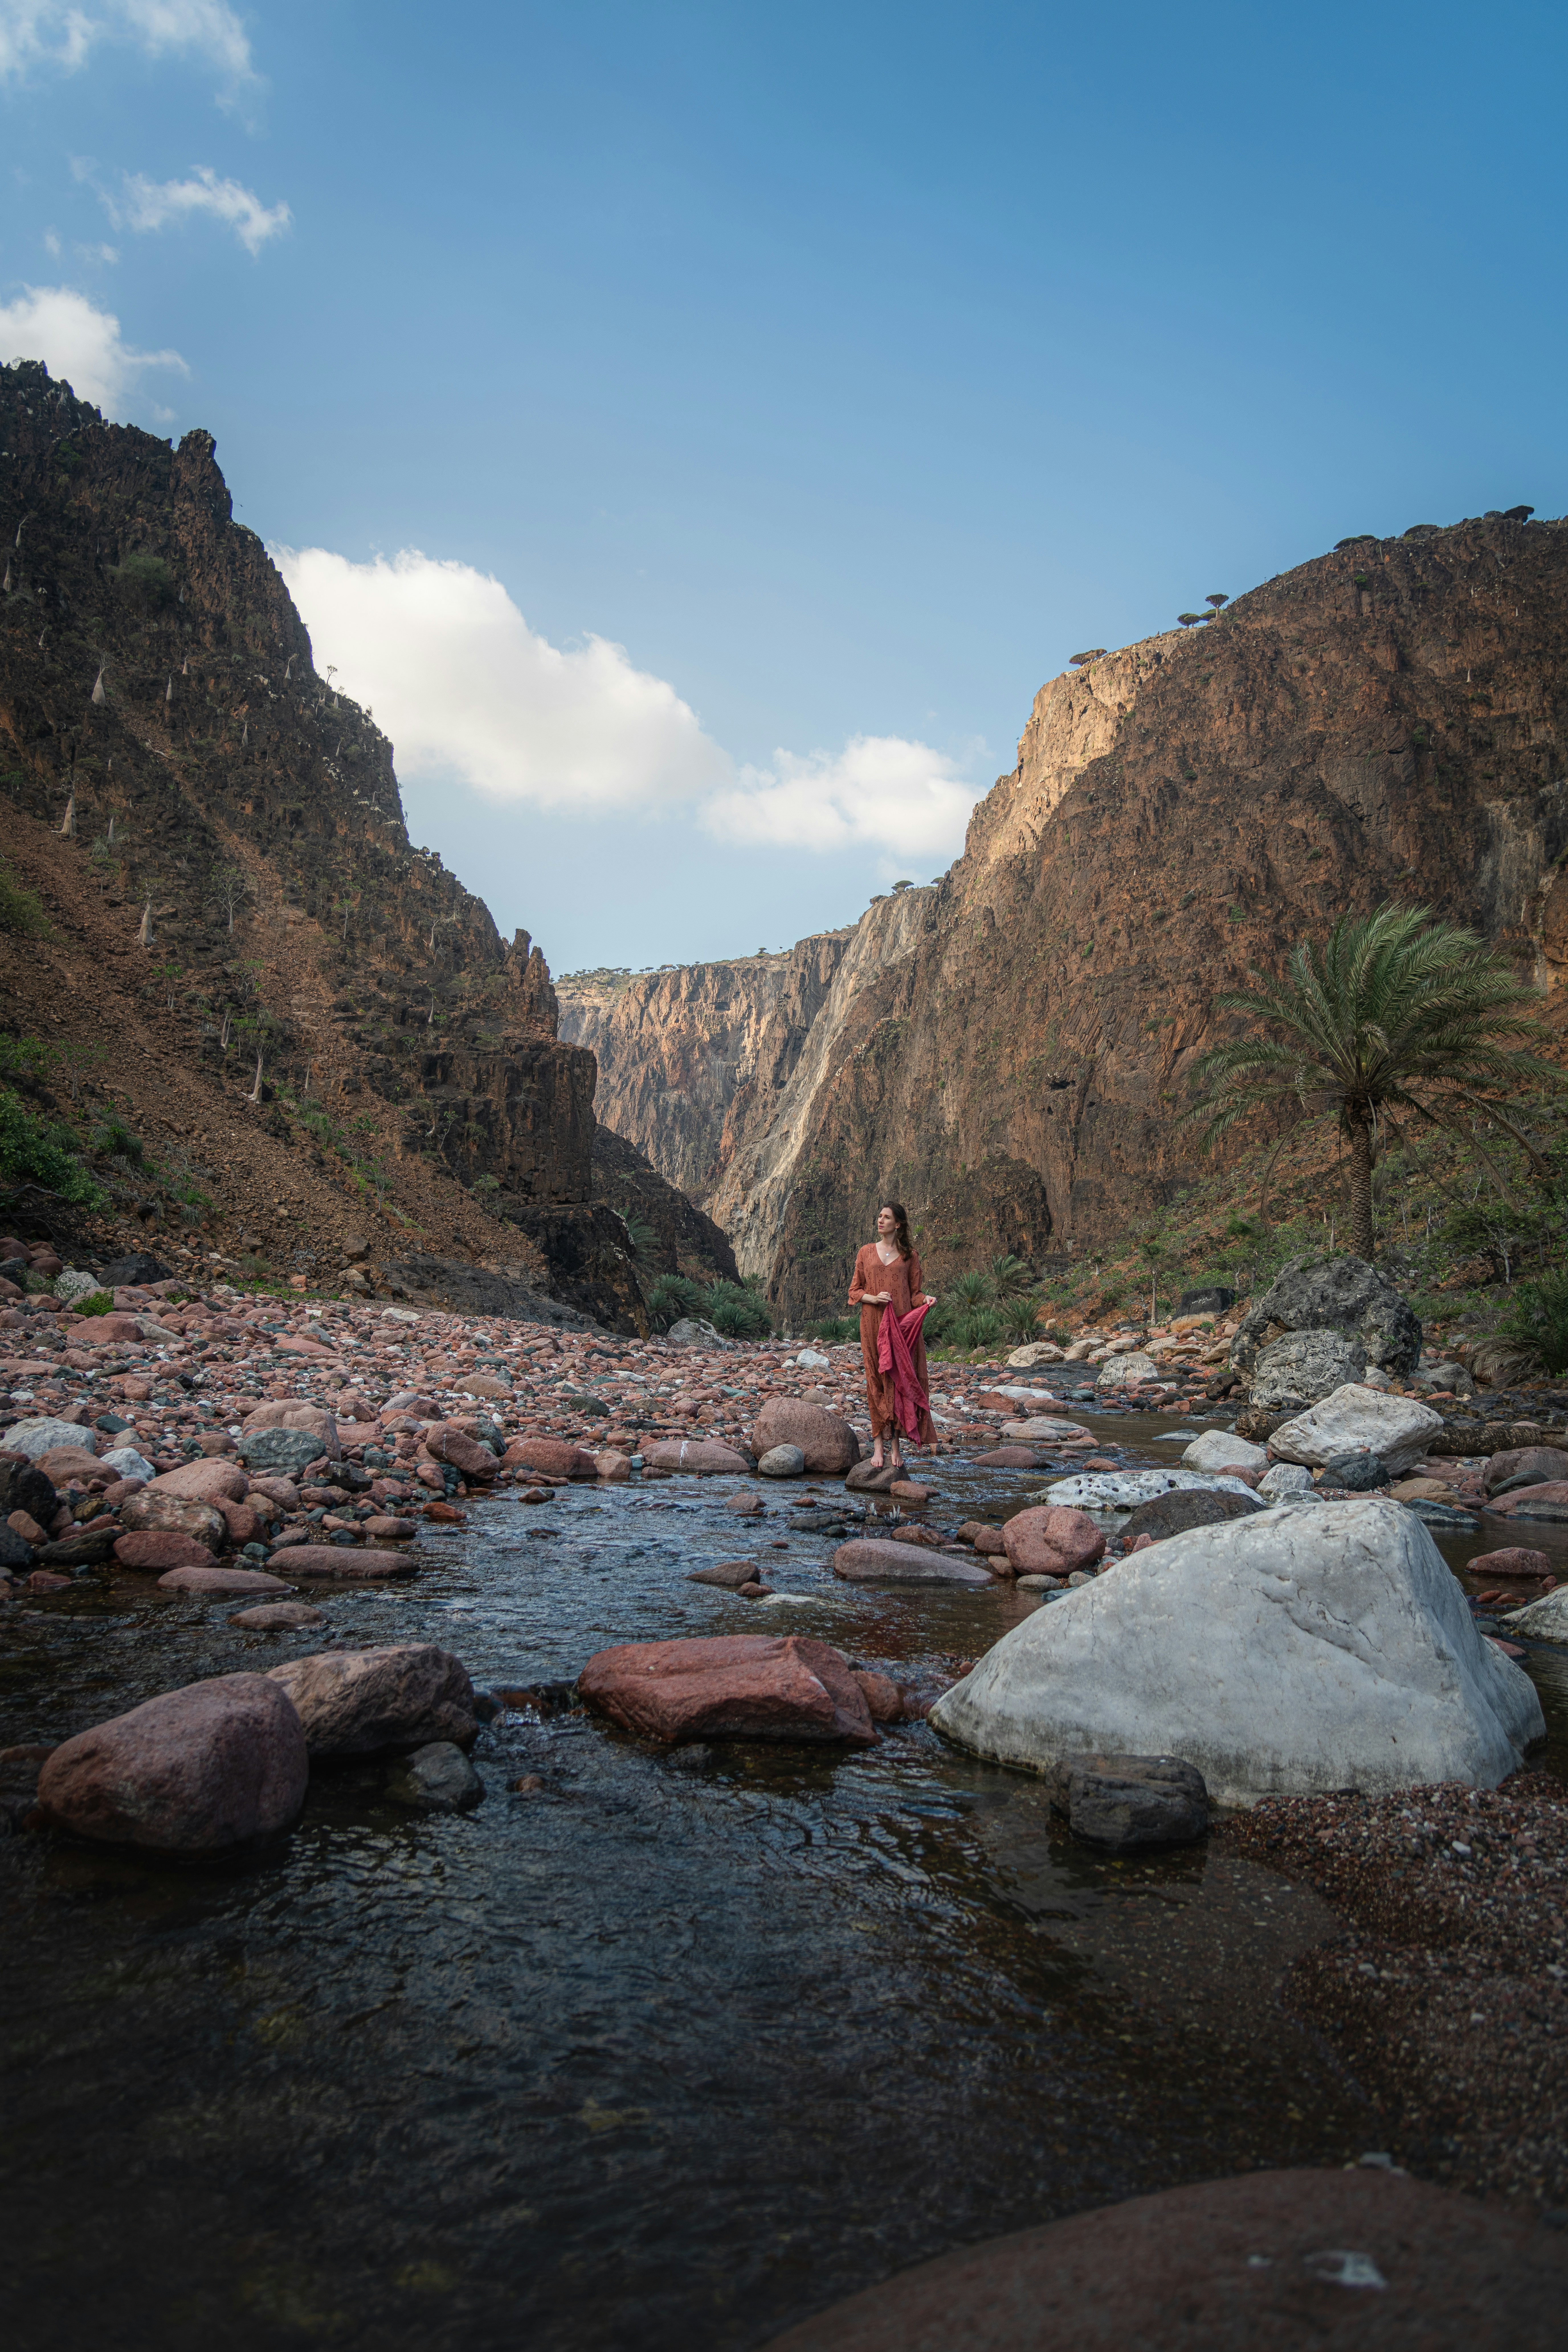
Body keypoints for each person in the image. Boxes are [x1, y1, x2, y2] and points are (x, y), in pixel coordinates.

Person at [848, 1201, 937, 1473]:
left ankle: (896, 1446)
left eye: (886, 1218)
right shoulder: (865, 1252)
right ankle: (878, 1444)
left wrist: (927, 1299)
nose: (880, 1221)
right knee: (876, 1381)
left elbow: (914, 1294)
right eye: (879, 1216)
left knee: (899, 1383)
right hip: (873, 1324)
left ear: (898, 1224)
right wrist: (874, 1298)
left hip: (901, 1328)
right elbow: (854, 1291)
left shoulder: (910, 1256)